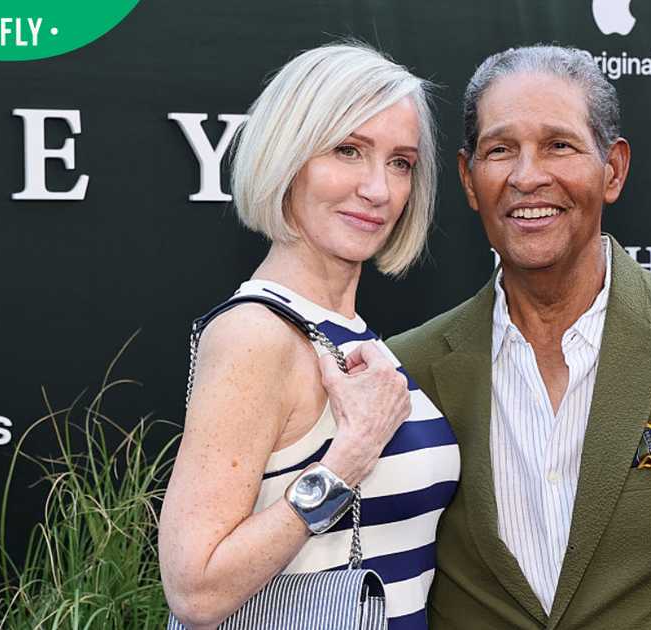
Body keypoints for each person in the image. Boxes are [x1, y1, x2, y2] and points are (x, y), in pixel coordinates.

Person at [387, 45, 651, 629]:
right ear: (470, 180)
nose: (527, 176)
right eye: (500, 151)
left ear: (612, 169)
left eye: (558, 145)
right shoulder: (406, 369)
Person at [159, 43, 459, 630]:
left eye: (401, 162)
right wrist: (350, 456)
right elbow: (195, 591)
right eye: (348, 150)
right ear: (288, 157)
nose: (378, 189)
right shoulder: (256, 334)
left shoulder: (350, 335)